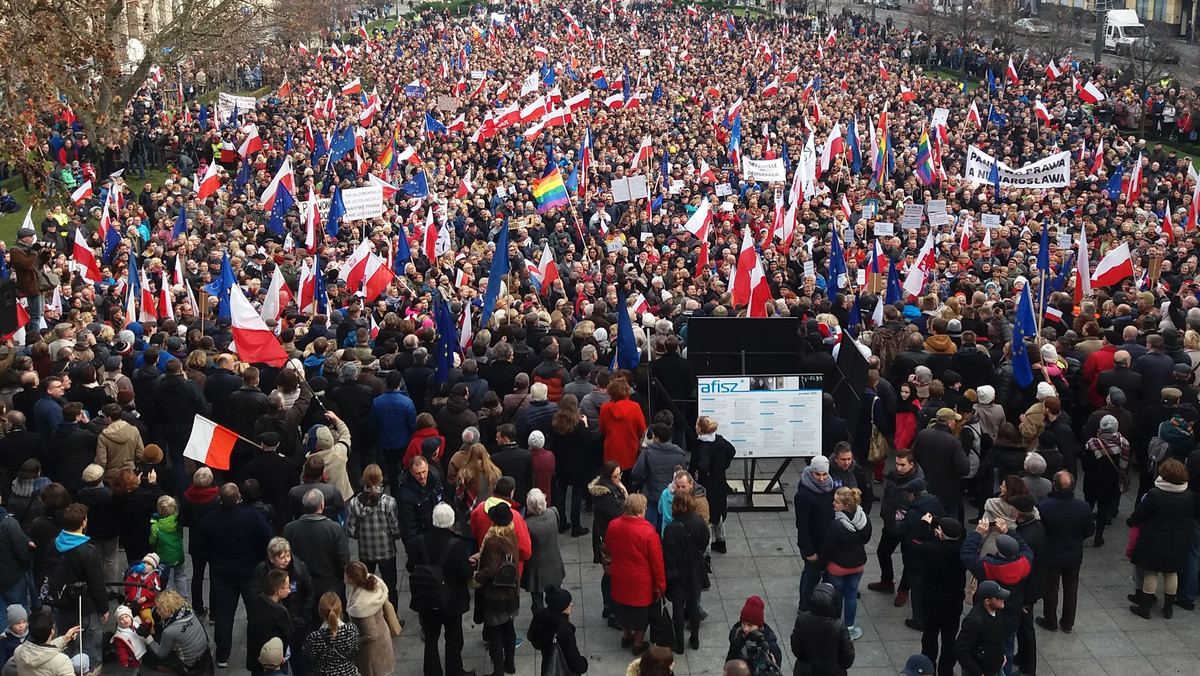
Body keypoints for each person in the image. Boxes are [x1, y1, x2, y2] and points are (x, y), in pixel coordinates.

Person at [194, 483, 271, 668]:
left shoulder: (210, 519)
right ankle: (259, 651)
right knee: (255, 613)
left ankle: (222, 656)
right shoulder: (252, 517)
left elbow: (200, 546)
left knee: (223, 615)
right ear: (239, 498)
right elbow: (266, 541)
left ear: (220, 499)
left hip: (222, 574)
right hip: (250, 573)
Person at [960, 523, 1032, 676]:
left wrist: (977, 533)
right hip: (1012, 616)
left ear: (998, 550)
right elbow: (1026, 549)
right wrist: (1009, 532)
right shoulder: (1025, 563)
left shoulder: (986, 567)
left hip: (988, 618)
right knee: (1008, 649)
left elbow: (967, 554)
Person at [410, 503, 473, 676]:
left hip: (426, 598)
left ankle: (432, 671)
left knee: (431, 639)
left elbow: (410, 567)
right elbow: (466, 573)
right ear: (452, 522)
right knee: (453, 639)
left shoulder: (418, 542)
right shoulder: (457, 546)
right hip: (452, 601)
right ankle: (454, 671)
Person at [1128, 458, 1195, 619]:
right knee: (1171, 573)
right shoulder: (1189, 495)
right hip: (1178, 540)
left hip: (1154, 538)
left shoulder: (1155, 494)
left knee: (1151, 572)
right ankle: (1168, 609)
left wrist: (1131, 522)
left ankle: (1144, 608)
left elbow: (1139, 515)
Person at [46, 502, 107, 669]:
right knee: (89, 644)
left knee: (66, 640)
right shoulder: (88, 551)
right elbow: (97, 583)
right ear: (83, 523)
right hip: (85, 606)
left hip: (60, 603)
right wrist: (104, 608)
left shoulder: (53, 544)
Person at [605, 493, 665, 655]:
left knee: (623, 609)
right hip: (641, 582)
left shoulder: (614, 525)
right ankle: (638, 644)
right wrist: (660, 585)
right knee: (641, 615)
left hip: (619, 576)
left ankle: (626, 636)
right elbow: (656, 562)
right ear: (640, 511)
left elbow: (608, 546)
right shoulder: (648, 532)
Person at [906, 513, 966, 676]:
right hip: (954, 602)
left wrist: (923, 524)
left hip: (931, 600)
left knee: (930, 635)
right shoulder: (963, 550)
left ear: (939, 533)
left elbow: (912, 542)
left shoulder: (931, 549)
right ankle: (946, 669)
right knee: (949, 637)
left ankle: (928, 666)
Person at [1036, 471, 1095, 633]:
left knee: (1050, 588)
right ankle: (1068, 622)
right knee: (1071, 589)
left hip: (1052, 554)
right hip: (1074, 554)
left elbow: (1041, 530)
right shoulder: (1083, 507)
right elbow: (1089, 530)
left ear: (1054, 485)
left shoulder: (1045, 506)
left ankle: (1050, 620)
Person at [867, 448, 923, 605]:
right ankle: (887, 581)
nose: (898, 467)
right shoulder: (893, 475)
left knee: (908, 559)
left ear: (911, 464)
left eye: (902, 464)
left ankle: (904, 589)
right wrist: (886, 512)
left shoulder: (919, 482)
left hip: (909, 527)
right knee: (882, 552)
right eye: (897, 463)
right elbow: (888, 494)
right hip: (892, 522)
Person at [473, 502, 521, 676]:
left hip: (496, 595)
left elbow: (491, 569)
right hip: (512, 591)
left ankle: (498, 670)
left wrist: (476, 576)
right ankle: (510, 664)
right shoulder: (512, 534)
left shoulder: (493, 541)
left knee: (495, 634)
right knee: (509, 629)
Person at [346, 464, 401, 609]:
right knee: (390, 586)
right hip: (386, 552)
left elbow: (350, 531)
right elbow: (395, 530)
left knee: (366, 587)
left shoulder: (354, 503)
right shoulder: (389, 502)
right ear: (381, 478)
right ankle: (392, 618)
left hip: (365, 553)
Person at [819, 487, 871, 640]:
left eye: (837, 502)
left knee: (836, 597)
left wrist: (821, 566)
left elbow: (827, 548)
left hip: (838, 568)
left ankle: (835, 627)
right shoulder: (864, 518)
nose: (833, 504)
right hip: (858, 565)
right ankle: (850, 627)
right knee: (851, 596)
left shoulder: (836, 525)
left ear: (846, 506)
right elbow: (866, 539)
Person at [661, 489, 708, 653]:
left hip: (677, 573)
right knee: (694, 604)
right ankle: (695, 639)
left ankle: (679, 644)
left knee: (678, 609)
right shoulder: (699, 521)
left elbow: (668, 554)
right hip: (695, 569)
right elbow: (704, 541)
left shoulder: (671, 528)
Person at [284, 488, 350, 602]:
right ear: (322, 505)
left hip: (301, 586)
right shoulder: (334, 528)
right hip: (330, 584)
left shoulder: (289, 529)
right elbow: (343, 557)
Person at [548, 394, 596, 536]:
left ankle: (562, 522)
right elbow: (588, 441)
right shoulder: (579, 424)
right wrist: (586, 425)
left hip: (561, 462)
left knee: (561, 492)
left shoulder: (555, 422)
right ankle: (576, 525)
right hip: (578, 464)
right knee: (577, 493)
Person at [688, 416, 736, 553]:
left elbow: (703, 464)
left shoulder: (702, 446)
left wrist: (699, 474)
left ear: (700, 429)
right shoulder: (719, 440)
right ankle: (721, 541)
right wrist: (722, 466)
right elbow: (731, 450)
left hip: (706, 486)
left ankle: (706, 553)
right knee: (719, 512)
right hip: (719, 482)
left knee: (706, 517)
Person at [912, 408, 972, 519]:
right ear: (949, 422)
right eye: (954, 420)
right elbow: (964, 469)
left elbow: (914, 457)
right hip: (948, 491)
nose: (955, 423)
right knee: (948, 523)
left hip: (926, 487)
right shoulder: (953, 442)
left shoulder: (923, 434)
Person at [1081, 415, 1129, 547]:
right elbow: (1124, 466)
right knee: (1103, 509)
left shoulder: (1092, 444)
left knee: (1088, 506)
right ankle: (1099, 536)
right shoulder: (1123, 443)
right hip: (1110, 483)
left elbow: (1085, 465)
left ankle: (1082, 533)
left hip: (1091, 482)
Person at [588, 461, 627, 622]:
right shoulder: (607, 497)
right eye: (615, 476)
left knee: (609, 574)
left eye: (620, 474)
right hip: (610, 541)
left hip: (606, 536)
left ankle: (608, 607)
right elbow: (621, 515)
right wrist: (625, 495)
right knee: (612, 575)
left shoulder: (609, 489)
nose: (618, 478)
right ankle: (612, 611)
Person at [795, 455, 834, 611]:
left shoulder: (830, 486)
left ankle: (823, 605)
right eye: (817, 474)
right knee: (811, 576)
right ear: (811, 472)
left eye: (824, 474)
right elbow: (802, 525)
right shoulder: (803, 495)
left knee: (823, 576)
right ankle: (804, 607)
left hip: (827, 541)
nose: (822, 479)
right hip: (812, 543)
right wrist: (809, 550)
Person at [789, 582, 855, 676]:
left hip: (805, 671)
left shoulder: (802, 619)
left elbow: (796, 647)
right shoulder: (839, 626)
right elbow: (848, 657)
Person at [630, 423, 686, 531]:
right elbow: (683, 475)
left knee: (650, 528)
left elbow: (636, 472)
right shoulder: (679, 453)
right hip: (671, 497)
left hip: (651, 495)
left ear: (656, 438)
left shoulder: (647, 452)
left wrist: (640, 484)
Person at [343, 561, 395, 676]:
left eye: (346, 574)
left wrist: (354, 642)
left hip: (372, 652)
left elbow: (371, 635)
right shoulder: (370, 583)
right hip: (382, 637)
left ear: (351, 579)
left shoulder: (363, 605)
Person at [527, 586, 588, 676]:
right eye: (568, 603)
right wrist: (583, 663)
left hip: (549, 668)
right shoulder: (564, 631)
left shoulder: (541, 618)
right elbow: (575, 663)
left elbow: (536, 642)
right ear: (561, 607)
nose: (571, 604)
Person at [397, 455, 445, 567]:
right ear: (411, 472)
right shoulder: (405, 494)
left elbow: (442, 497)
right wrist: (413, 550)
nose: (422, 476)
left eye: (424, 472)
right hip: (421, 535)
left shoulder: (435, 478)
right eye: (418, 473)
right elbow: (408, 525)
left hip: (437, 530)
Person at [522, 488, 564, 614]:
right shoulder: (554, 512)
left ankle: (540, 623)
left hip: (536, 567)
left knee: (537, 600)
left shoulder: (527, 524)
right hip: (554, 561)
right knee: (556, 596)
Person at [955, 580, 1009, 676]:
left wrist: (1002, 653)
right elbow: (961, 650)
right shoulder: (974, 621)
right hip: (982, 671)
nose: (1003, 599)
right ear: (987, 601)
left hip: (996, 667)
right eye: (998, 597)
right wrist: (978, 673)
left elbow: (999, 636)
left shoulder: (996, 611)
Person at [245, 568, 293, 675]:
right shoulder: (274, 615)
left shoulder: (258, 602)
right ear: (279, 591)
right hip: (271, 665)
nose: (290, 589)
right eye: (288, 586)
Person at [304, 592, 360, 676]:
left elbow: (309, 659)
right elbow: (355, 652)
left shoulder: (315, 637)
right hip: (348, 672)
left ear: (320, 612)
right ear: (340, 609)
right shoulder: (351, 630)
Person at [12, 610, 81, 676]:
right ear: (52, 631)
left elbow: (41, 651)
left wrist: (64, 639)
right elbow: (44, 652)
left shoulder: (18, 651)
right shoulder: (62, 661)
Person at [725, 596, 783, 673]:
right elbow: (730, 658)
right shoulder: (736, 634)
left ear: (759, 626)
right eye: (743, 623)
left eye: (750, 625)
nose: (745, 628)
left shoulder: (770, 646)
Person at [599, 377, 645, 471]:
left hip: (611, 450)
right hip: (630, 450)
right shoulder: (635, 407)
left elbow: (602, 429)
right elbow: (642, 429)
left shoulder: (605, 408)